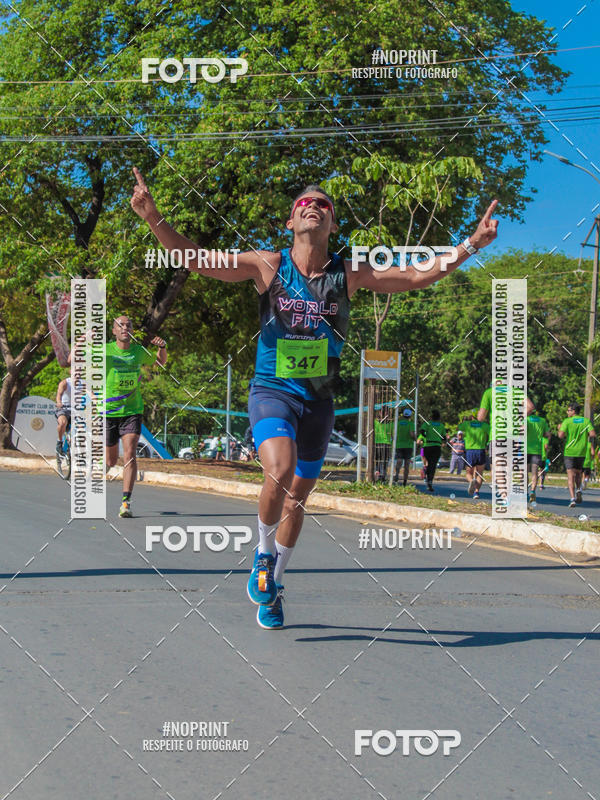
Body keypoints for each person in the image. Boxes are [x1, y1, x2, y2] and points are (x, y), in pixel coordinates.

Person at [130, 166, 499, 628]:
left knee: (297, 499)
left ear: (332, 225)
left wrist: (469, 246)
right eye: (305, 203)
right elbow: (199, 259)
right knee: (279, 471)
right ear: (290, 222)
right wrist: (153, 218)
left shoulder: (349, 273)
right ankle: (263, 556)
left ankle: (275, 586)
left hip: (318, 402)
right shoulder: (267, 265)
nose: (314, 207)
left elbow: (413, 276)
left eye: (324, 204)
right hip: (272, 391)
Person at [69, 317, 167, 517]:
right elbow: (72, 359)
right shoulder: (103, 350)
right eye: (120, 325)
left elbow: (159, 362)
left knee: (130, 454)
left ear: (132, 330)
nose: (125, 328)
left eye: (128, 325)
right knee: (112, 461)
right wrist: (81, 339)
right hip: (108, 411)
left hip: (132, 410)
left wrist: (163, 347)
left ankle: (126, 503)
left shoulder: (138, 351)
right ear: (114, 331)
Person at [557, 402, 596, 508]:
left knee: (570, 475)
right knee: (578, 473)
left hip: (570, 451)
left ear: (573, 411)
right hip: (581, 451)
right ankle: (579, 489)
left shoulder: (567, 421)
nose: (567, 412)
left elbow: (560, 435)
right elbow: (593, 434)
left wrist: (559, 428)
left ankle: (572, 498)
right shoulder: (585, 421)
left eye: (568, 410)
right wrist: (583, 434)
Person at [458, 413, 490, 500]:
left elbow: (459, 429)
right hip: (481, 450)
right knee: (480, 474)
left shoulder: (466, 424)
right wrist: (487, 444)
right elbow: (491, 436)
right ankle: (476, 492)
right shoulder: (485, 425)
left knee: (469, 473)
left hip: (470, 451)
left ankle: (471, 481)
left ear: (472, 417)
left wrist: (464, 421)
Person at [526, 405, 550, 503]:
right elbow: (548, 434)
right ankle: (532, 491)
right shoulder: (542, 421)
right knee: (535, 473)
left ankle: (525, 492)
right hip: (537, 450)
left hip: (525, 449)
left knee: (524, 473)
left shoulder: (526, 420)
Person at [418, 411, 447, 493]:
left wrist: (426, 436)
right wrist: (444, 441)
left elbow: (422, 431)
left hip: (427, 445)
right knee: (432, 465)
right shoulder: (441, 425)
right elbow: (444, 437)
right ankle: (430, 481)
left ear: (431, 417)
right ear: (439, 418)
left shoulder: (427, 423)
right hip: (437, 446)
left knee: (427, 463)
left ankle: (425, 471)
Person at [394, 406, 416, 486]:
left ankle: (396, 473)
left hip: (399, 445)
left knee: (399, 461)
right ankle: (404, 481)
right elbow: (411, 434)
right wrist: (415, 438)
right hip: (408, 446)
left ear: (403, 415)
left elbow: (394, 434)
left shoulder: (398, 423)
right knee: (407, 465)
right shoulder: (411, 424)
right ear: (410, 416)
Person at [373, 405, 393, 481]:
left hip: (377, 444)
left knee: (378, 461)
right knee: (384, 462)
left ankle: (377, 474)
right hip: (386, 444)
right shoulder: (390, 423)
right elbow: (392, 435)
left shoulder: (375, 422)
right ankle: (383, 475)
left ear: (380, 412)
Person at [55, 375, 73, 453]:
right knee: (62, 423)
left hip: (76, 410)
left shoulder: (83, 383)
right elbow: (59, 395)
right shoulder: (65, 383)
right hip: (64, 408)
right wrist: (59, 402)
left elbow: (90, 393)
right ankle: (59, 441)